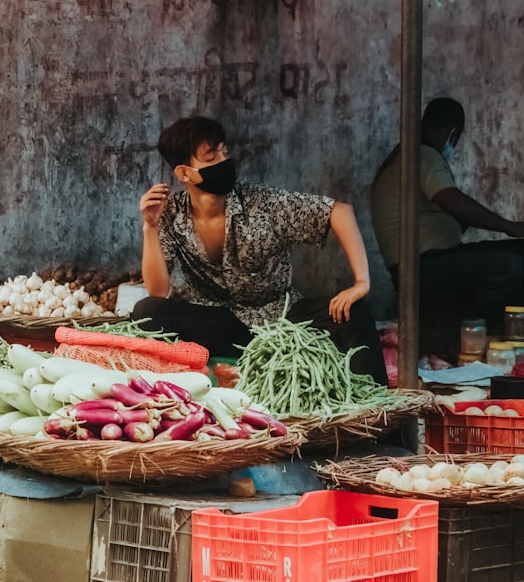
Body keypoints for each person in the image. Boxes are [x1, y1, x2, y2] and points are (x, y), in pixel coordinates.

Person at [132, 116, 388, 385]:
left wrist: (361, 282)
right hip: (221, 324)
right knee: (147, 312)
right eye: (211, 157)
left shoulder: (262, 203)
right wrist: (150, 227)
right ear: (185, 173)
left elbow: (339, 212)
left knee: (354, 312)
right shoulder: (171, 214)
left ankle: (375, 413)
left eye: (225, 153)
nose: (223, 161)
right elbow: (157, 291)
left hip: (283, 318)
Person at [371, 97, 524, 350]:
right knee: (506, 268)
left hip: (438, 258)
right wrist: (509, 226)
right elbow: (454, 203)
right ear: (453, 134)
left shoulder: (415, 155)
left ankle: (516, 334)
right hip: (419, 267)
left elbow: (449, 212)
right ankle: (459, 342)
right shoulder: (422, 156)